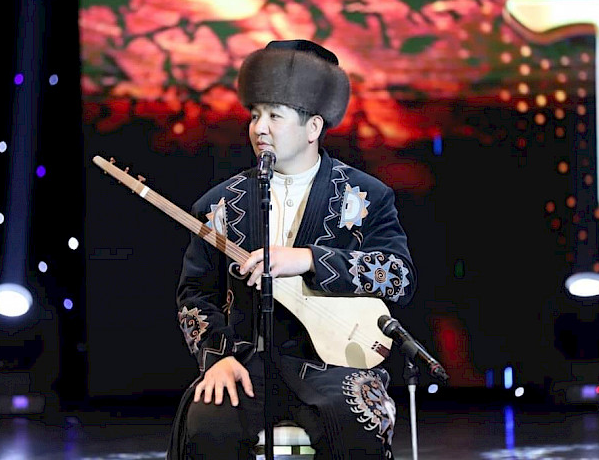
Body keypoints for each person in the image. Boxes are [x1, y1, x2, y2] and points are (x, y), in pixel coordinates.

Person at [167, 39, 417, 459]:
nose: (259, 128)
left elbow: (399, 277)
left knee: (356, 420)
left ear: (313, 127)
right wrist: (217, 358)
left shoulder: (365, 196)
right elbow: (195, 293)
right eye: (254, 115)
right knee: (207, 422)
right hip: (245, 361)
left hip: (334, 366)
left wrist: (309, 260)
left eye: (275, 116)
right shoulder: (218, 205)